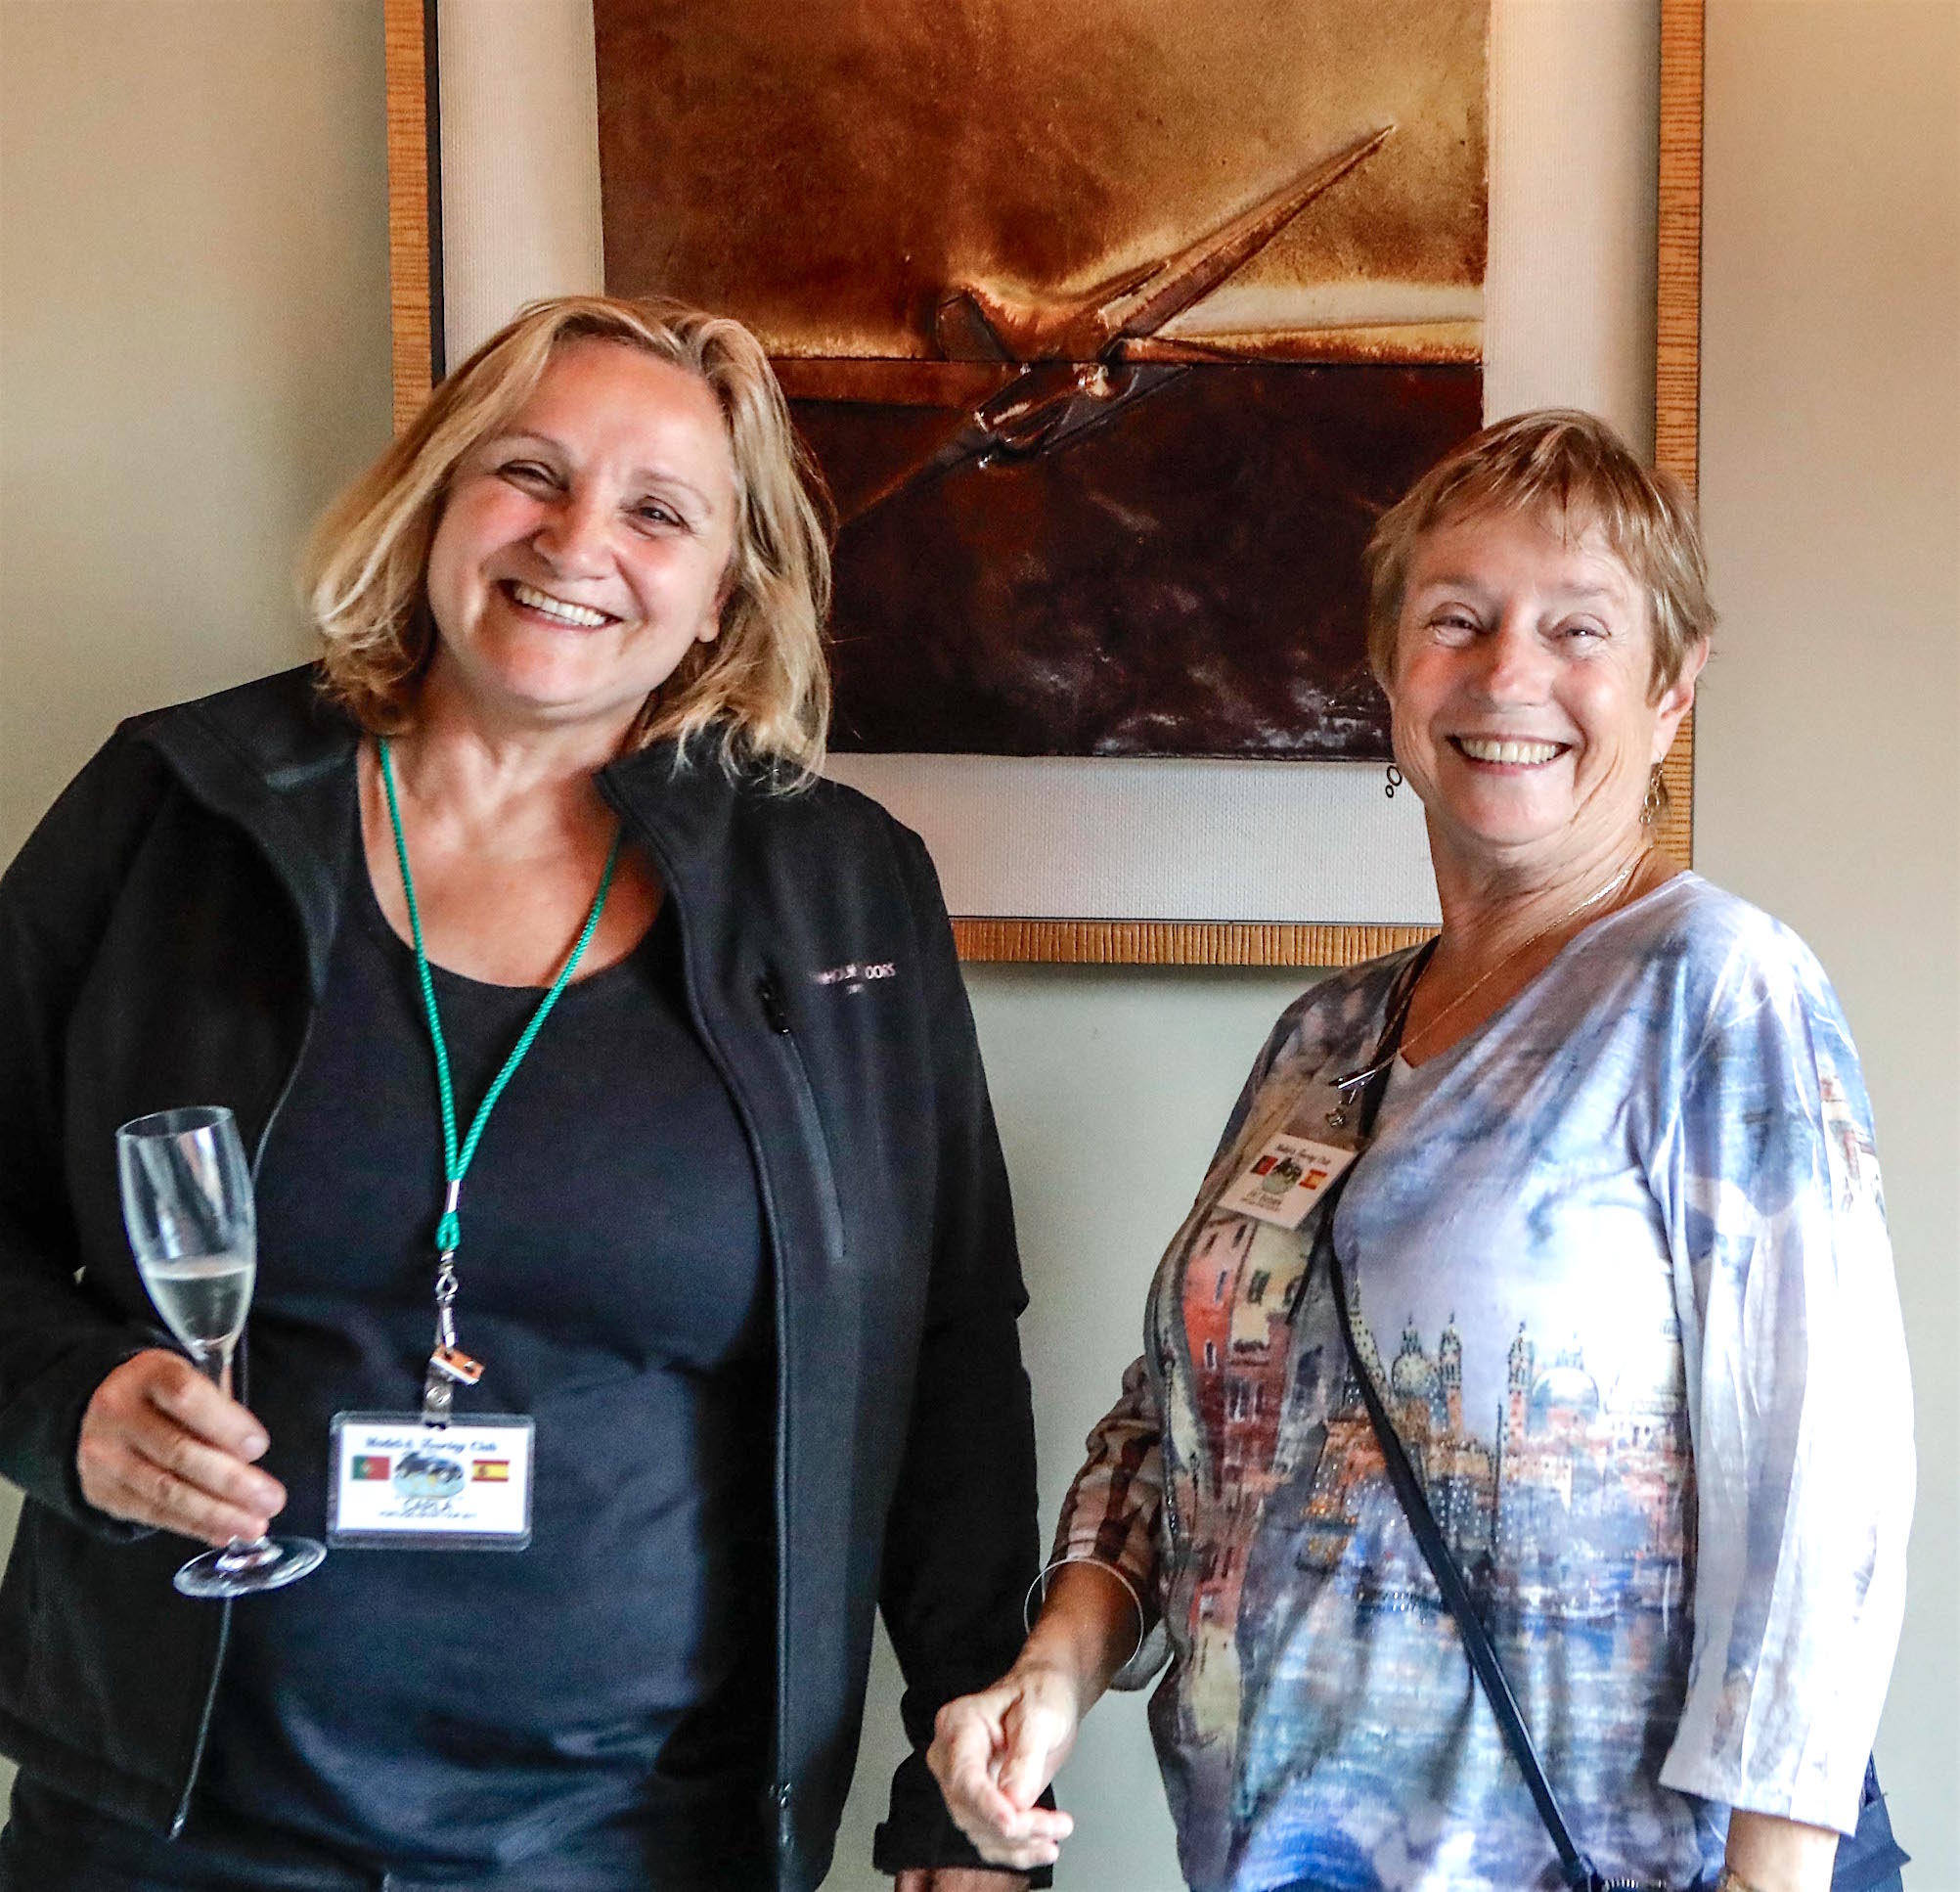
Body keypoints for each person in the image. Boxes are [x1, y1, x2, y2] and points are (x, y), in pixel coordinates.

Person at [0, 293, 1041, 1892]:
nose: (576, 539)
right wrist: (63, 1401)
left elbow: (946, 1354)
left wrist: (962, 1799)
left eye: (657, 511)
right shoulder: (177, 809)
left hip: (637, 1843)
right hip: (169, 1834)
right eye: (530, 473)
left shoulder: (841, 894)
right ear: (437, 498)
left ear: (722, 592)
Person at [925, 412, 1914, 1892]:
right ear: (1389, 674)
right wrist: (1054, 1669)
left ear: (1673, 686)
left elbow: (1817, 1479)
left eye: (1578, 628)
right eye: (1458, 618)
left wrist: (1773, 1876)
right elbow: (1182, 1415)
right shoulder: (1324, 1035)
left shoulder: (1715, 990)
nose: (1509, 673)